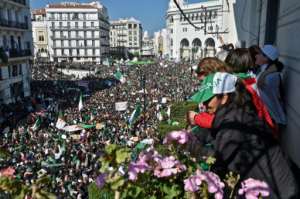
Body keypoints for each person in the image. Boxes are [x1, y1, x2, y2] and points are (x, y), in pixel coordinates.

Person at [190, 72, 298, 198]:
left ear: (224, 97)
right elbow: (219, 133)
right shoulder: (237, 113)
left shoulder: (234, 125)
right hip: (282, 184)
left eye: (207, 99)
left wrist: (191, 145)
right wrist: (200, 134)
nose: (203, 104)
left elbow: (218, 160)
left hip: (279, 192)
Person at [255, 45, 286, 127]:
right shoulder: (265, 71)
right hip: (268, 117)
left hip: (271, 119)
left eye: (259, 53)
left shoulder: (270, 77)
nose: (256, 55)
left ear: (266, 58)